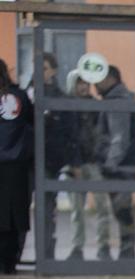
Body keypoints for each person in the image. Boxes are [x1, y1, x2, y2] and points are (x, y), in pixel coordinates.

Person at [94, 65, 135, 260]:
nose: (96, 85)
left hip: (121, 166)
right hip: (124, 164)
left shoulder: (116, 101)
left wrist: (110, 164)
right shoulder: (118, 99)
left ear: (111, 79)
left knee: (122, 209)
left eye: (99, 80)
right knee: (121, 209)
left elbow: (119, 138)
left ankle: (127, 250)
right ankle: (127, 249)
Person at [66, 69, 112, 261]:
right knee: (77, 210)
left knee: (103, 207)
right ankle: (77, 248)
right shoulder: (66, 106)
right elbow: (67, 138)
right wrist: (72, 163)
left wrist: (102, 160)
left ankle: (104, 247)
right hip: (73, 165)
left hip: (94, 164)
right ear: (72, 84)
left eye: (86, 82)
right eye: (79, 82)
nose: (83, 86)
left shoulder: (97, 107)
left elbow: (105, 135)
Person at [40, 53, 76, 260]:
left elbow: (68, 132)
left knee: (45, 211)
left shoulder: (60, 98)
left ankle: (46, 255)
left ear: (53, 71)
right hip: (24, 161)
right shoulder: (25, 93)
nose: (39, 72)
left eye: (43, 68)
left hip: (49, 161)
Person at [0, 58, 34, 274]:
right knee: (14, 215)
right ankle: (10, 261)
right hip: (17, 166)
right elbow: (31, 124)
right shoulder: (20, 96)